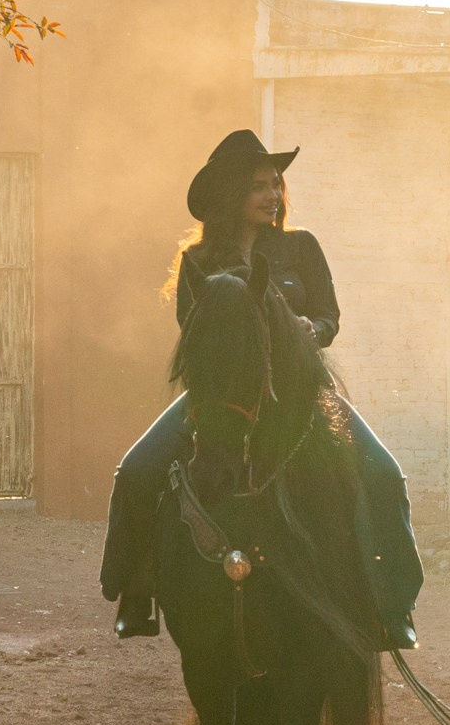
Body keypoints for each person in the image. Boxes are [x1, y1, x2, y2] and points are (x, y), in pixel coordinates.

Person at [98, 129, 423, 649]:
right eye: (259, 186)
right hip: (224, 393)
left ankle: (392, 604)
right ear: (232, 194)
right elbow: (194, 332)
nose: (273, 194)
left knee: (383, 474)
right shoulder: (199, 262)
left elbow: (328, 315)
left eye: (277, 183)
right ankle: (136, 591)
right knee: (137, 471)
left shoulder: (300, 247)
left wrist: (311, 332)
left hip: (299, 391)